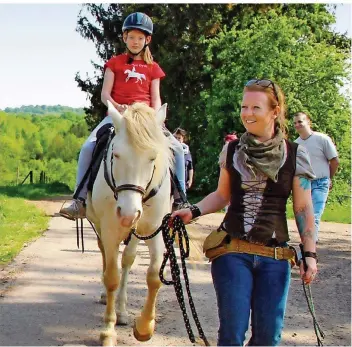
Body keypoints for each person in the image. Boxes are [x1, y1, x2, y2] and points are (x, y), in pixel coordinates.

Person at [171, 79, 318, 346]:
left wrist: (309, 253)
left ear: (275, 111)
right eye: (244, 107)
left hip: (275, 257)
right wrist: (193, 211)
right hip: (232, 252)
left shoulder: (296, 154)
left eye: (255, 107)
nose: (247, 113)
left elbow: (302, 207)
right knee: (232, 334)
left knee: (267, 338)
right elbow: (222, 195)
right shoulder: (232, 150)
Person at [60, 12, 186, 220]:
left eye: (140, 38)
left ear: (147, 40)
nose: (135, 42)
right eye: (131, 37)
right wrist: (118, 108)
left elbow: (156, 98)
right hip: (118, 115)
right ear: (124, 38)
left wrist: (154, 119)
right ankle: (79, 200)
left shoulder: (153, 68)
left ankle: (181, 199)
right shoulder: (114, 63)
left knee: (178, 150)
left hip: (145, 119)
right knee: (88, 147)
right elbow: (104, 94)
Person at [293, 111, 339, 242]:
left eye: (300, 121)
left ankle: (309, 248)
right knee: (304, 216)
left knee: (314, 215)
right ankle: (309, 242)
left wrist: (329, 178)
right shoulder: (295, 145)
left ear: (308, 122)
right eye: (295, 123)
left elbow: (335, 161)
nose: (297, 125)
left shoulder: (322, 139)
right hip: (304, 184)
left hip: (320, 182)